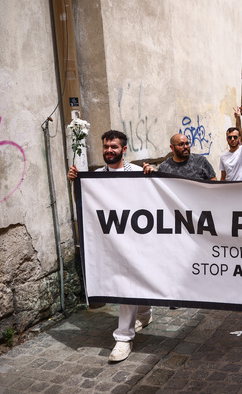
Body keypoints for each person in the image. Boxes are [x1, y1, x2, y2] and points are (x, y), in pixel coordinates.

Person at [67, 130, 153, 363]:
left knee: (133, 280)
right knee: (129, 281)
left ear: (124, 149)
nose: (108, 151)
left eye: (113, 147)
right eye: (106, 147)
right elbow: (85, 205)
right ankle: (139, 319)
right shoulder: (95, 177)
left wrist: (153, 176)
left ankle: (126, 334)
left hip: (137, 238)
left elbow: (155, 201)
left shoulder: (137, 173)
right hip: (111, 240)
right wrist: (77, 183)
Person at [144, 134, 216, 181]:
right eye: (181, 144)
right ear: (172, 148)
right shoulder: (164, 167)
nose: (185, 147)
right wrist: (151, 173)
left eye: (187, 143)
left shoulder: (201, 161)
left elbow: (213, 182)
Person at [219, 105, 242, 181]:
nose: (233, 139)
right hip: (230, 190)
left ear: (239, 138)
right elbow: (223, 178)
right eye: (230, 137)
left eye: (235, 137)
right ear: (227, 139)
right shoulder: (223, 156)